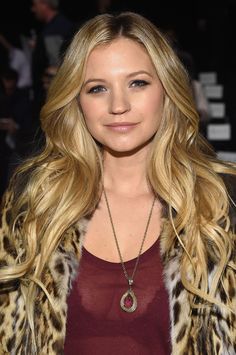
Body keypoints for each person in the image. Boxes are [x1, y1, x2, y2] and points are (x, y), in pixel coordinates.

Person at [0, 11, 235, 355]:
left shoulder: (219, 203)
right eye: (97, 88)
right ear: (77, 101)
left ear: (167, 90)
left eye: (138, 83)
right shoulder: (35, 201)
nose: (118, 106)